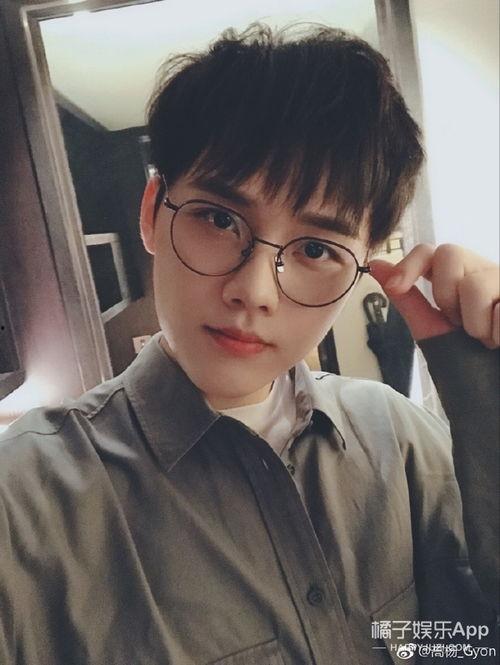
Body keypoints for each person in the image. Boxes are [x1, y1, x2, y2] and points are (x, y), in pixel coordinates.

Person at [0, 23, 498, 665]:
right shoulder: (24, 505)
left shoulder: (401, 441)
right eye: (218, 219)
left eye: (316, 248)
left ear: (364, 268)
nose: (253, 291)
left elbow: (463, 645)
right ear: (151, 212)